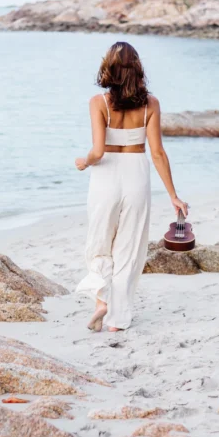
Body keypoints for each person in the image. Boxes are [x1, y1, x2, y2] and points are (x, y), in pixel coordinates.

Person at [74, 41, 188, 332]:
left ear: (108, 68)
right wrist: (173, 195)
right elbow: (158, 153)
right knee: (130, 247)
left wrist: (84, 162)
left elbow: (98, 152)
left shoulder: (98, 103)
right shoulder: (151, 104)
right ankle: (117, 321)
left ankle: (101, 299)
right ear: (137, 68)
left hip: (105, 177)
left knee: (100, 242)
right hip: (136, 173)